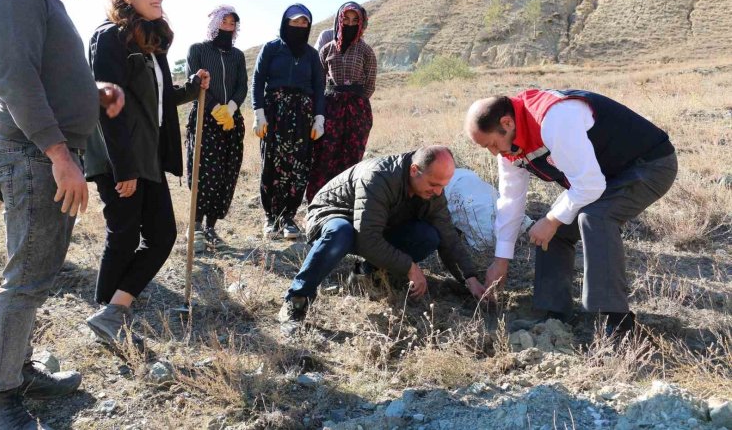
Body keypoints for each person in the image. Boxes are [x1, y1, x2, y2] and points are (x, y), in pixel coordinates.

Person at [0, 0, 125, 427]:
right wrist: (58, 153)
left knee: (35, 274)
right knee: (24, 281)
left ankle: (18, 369)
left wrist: (94, 93)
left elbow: (44, 76)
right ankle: (0, 400)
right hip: (34, 156)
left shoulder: (41, 1)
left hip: (43, 155)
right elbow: (14, 79)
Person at [464, 89, 678, 338]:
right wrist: (501, 260)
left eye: (492, 144)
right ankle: (554, 316)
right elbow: (511, 201)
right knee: (554, 230)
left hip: (649, 165)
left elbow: (590, 186)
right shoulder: (510, 145)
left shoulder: (554, 119)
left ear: (507, 123)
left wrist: (552, 219)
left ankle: (619, 324)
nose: (494, 153)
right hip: (603, 176)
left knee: (595, 217)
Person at [83, 0, 210, 350]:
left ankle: (111, 311)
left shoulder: (149, 43)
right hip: (119, 156)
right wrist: (123, 166)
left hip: (147, 155)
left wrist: (191, 88)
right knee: (122, 235)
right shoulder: (109, 39)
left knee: (162, 235)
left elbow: (158, 100)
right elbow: (108, 105)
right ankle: (108, 313)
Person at [279, 146, 489, 335]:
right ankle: (297, 299)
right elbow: (368, 238)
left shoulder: (432, 189)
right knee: (341, 233)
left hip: (376, 224)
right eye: (434, 185)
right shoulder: (378, 176)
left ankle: (367, 274)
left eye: (443, 186)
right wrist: (409, 266)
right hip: (335, 216)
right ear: (414, 170)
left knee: (428, 236)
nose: (438, 192)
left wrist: (468, 278)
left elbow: (447, 236)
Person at [251, 4, 325, 239]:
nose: (300, 26)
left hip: (303, 114)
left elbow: (319, 88)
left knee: (299, 165)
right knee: (272, 163)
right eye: (295, 22)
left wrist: (319, 118)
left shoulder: (312, 55)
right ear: (285, 23)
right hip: (275, 112)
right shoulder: (271, 49)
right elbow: (258, 81)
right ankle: (270, 217)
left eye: (304, 22)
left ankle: (288, 217)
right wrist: (259, 113)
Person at [185, 5, 247, 251]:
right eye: (224, 22)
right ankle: (195, 226)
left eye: (232, 24)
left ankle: (211, 227)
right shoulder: (198, 50)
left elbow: (242, 85)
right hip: (205, 118)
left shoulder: (238, 56)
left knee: (225, 173)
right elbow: (194, 82)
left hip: (231, 121)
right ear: (214, 24)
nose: (228, 27)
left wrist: (230, 109)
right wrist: (213, 108)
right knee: (203, 172)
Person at [306, 1, 377, 201]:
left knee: (351, 158)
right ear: (339, 20)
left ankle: (345, 203)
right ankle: (318, 202)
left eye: (355, 20)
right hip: (330, 108)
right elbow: (318, 83)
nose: (350, 23)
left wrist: (355, 104)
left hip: (357, 111)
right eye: (345, 19)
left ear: (361, 23)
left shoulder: (366, 51)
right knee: (323, 156)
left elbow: (370, 85)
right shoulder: (326, 50)